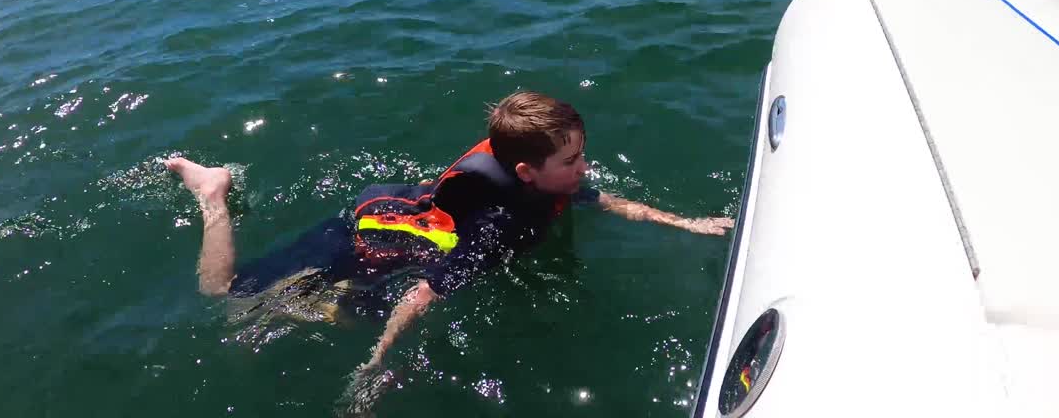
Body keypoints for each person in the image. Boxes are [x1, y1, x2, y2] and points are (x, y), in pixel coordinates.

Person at [166, 91, 733, 404]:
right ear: (525, 171)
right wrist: (376, 364)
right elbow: (421, 295)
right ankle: (212, 193)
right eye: (572, 161)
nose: (584, 168)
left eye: (582, 153)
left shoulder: (542, 183)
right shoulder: (497, 230)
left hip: (405, 224)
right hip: (367, 241)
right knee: (223, 296)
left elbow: (601, 199)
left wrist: (685, 223)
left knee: (300, 314)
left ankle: (324, 300)